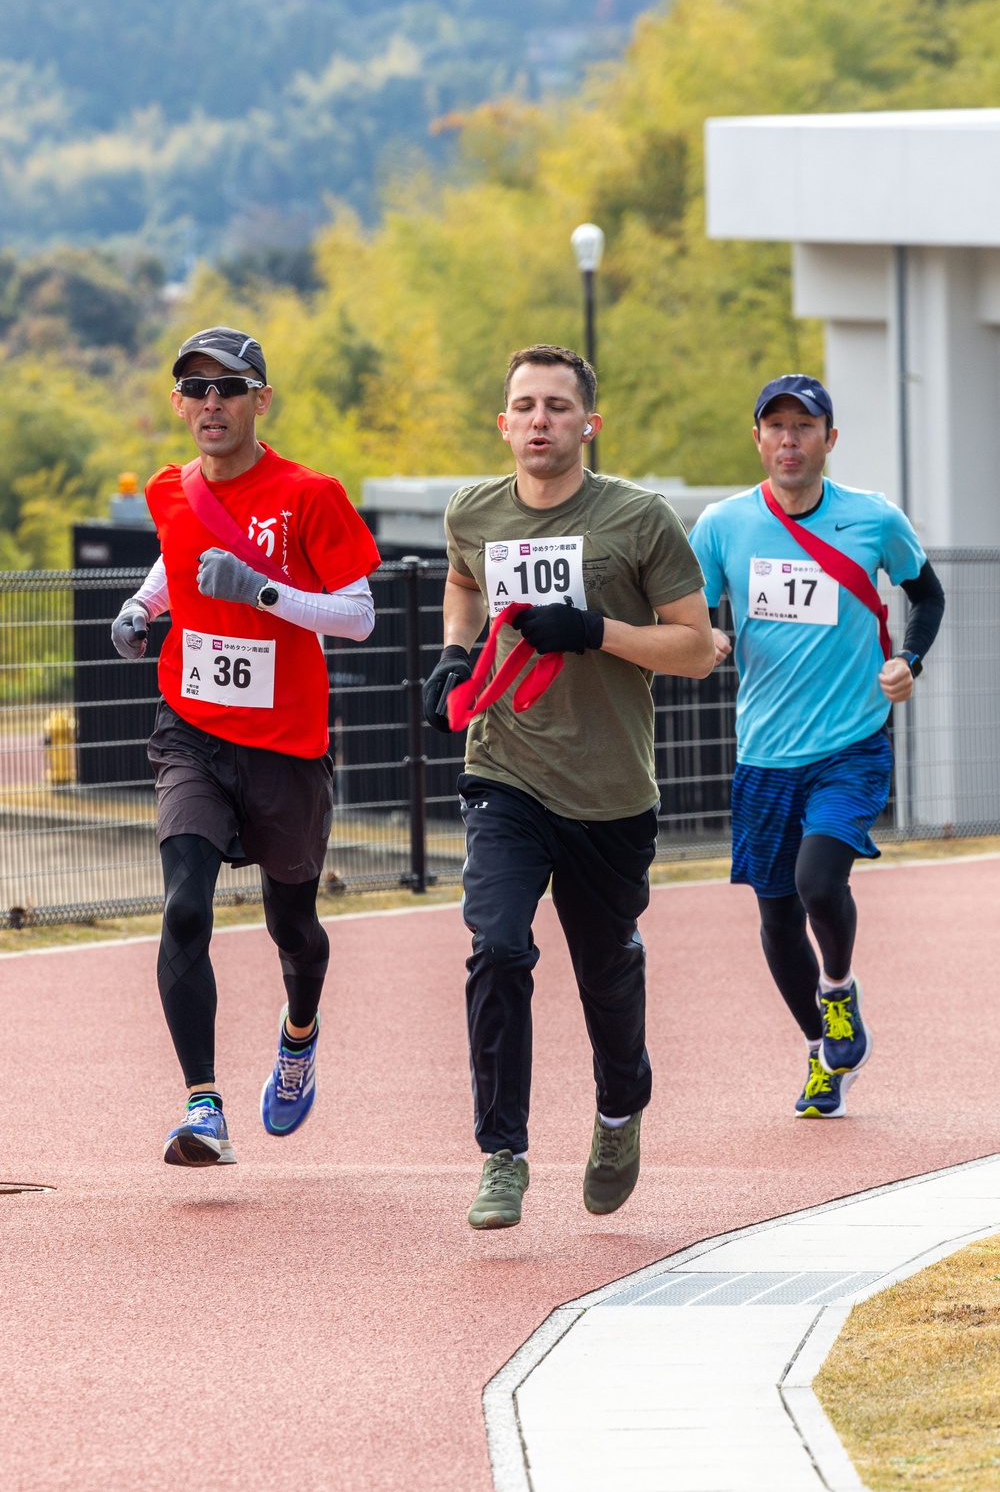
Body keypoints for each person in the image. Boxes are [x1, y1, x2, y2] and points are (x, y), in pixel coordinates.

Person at [422, 344, 715, 1229]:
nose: (540, 419)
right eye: (525, 405)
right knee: (499, 948)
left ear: (589, 422)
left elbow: (697, 648)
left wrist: (594, 629)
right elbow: (463, 581)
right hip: (503, 769)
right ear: (503, 423)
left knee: (605, 974)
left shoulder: (638, 519)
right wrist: (452, 652)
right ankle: (502, 1154)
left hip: (610, 790)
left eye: (558, 405)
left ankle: (620, 1109)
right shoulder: (473, 509)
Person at [111, 326, 380, 1166]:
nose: (211, 403)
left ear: (261, 399)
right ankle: (203, 1107)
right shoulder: (171, 488)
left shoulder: (310, 492)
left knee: (291, 925)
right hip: (191, 729)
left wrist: (266, 590)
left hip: (286, 746)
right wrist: (142, 607)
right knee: (184, 904)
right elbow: (175, 554)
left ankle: (299, 1032)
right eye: (195, 388)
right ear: (178, 402)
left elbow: (361, 613)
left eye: (229, 388)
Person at [689, 374, 945, 1119]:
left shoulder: (872, 518)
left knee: (818, 883)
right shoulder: (722, 525)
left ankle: (838, 987)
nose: (790, 440)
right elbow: (693, 608)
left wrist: (910, 662)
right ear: (758, 438)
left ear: (829, 440)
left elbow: (925, 593)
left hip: (850, 744)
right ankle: (819, 1049)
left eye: (806, 427)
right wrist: (707, 634)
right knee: (773, 917)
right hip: (766, 753)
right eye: (777, 426)